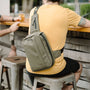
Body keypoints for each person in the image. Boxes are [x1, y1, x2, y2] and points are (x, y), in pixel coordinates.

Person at [26, 0, 90, 90]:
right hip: (54, 68)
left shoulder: (34, 11)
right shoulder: (65, 12)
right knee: (79, 67)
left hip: (32, 66)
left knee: (37, 81)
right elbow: (87, 24)